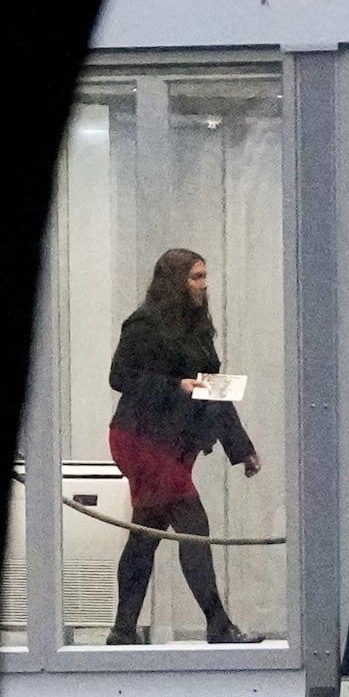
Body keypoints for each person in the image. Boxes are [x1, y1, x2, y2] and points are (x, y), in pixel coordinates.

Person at [105, 246, 261, 645]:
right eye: (196, 277)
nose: (203, 285)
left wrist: (241, 448)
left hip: (170, 442)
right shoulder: (144, 323)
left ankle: (122, 631)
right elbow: (120, 377)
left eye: (204, 277)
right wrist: (175, 385)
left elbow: (213, 389)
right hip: (142, 439)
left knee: (146, 533)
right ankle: (218, 624)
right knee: (194, 524)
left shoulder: (198, 326)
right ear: (175, 281)